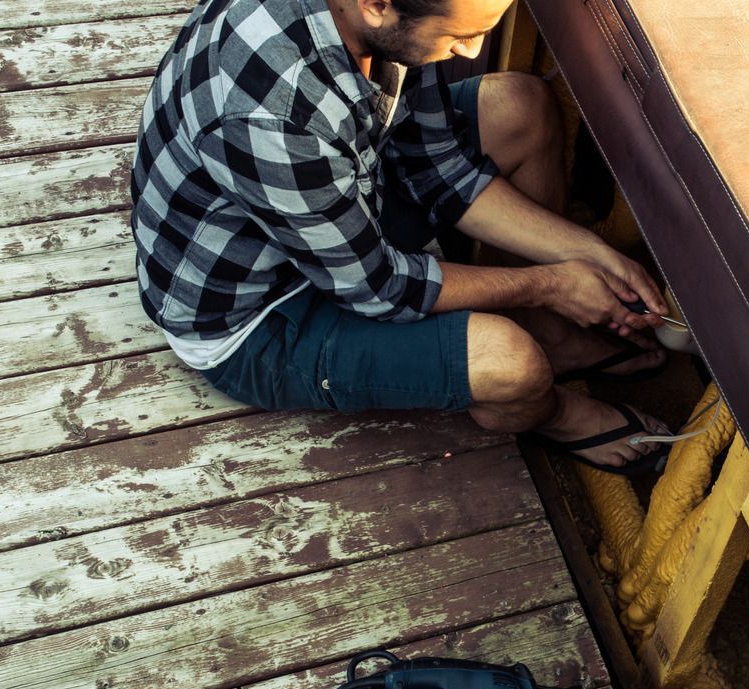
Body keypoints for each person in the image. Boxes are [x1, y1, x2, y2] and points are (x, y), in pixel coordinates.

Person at [131, 0, 674, 472]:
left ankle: (552, 334)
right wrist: (549, 283)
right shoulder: (273, 119)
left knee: (521, 106)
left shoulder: (385, 23)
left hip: (334, 208)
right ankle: (555, 415)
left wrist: (589, 251)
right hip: (259, 314)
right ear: (378, 5)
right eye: (460, 35)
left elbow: (438, 165)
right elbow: (380, 288)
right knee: (512, 364)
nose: (471, 50)